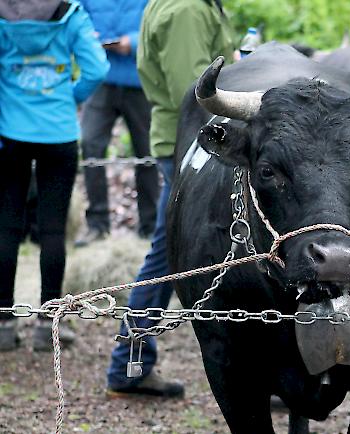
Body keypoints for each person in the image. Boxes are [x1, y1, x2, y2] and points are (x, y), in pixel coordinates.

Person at [105, 0, 236, 398]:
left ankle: (130, 368)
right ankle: (128, 368)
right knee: (166, 256)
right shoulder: (187, 12)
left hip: (182, 141)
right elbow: (195, 93)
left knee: (166, 252)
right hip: (196, 143)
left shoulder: (177, 4)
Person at [0, 0, 109, 351]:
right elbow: (96, 68)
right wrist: (67, 96)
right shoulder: (71, 14)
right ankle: (48, 324)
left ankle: (3, 323)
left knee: (6, 228)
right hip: (58, 132)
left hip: (9, 133)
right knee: (53, 229)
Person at [74, 0, 158, 247]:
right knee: (90, 145)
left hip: (140, 80)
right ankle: (97, 225)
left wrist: (132, 42)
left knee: (148, 152)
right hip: (100, 78)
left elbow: (160, 22)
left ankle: (150, 227)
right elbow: (76, 14)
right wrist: (88, 36)